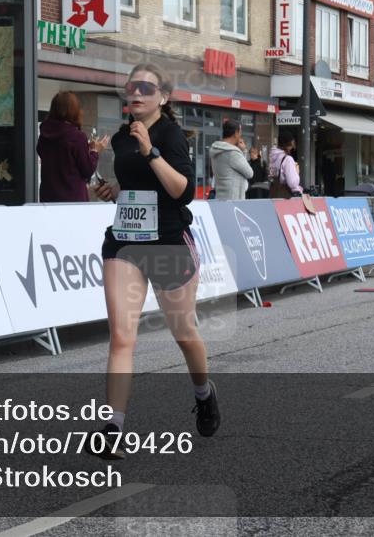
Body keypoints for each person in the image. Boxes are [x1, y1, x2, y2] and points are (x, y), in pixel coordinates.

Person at [91, 62, 219, 459]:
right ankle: (113, 427)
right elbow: (137, 185)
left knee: (183, 334)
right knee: (122, 336)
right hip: (124, 244)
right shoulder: (121, 137)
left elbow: (182, 192)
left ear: (163, 97)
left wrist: (152, 151)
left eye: (146, 87)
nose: (136, 92)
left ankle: (204, 392)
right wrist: (115, 189)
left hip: (167, 244)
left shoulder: (170, 134)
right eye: (131, 86)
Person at [36, 92, 109, 202]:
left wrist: (85, 149)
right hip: (72, 200)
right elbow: (87, 169)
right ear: (74, 111)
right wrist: (95, 151)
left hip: (48, 198)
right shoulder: (76, 136)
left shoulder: (44, 135)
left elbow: (62, 159)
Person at [208, 119, 253, 201]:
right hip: (234, 200)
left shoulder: (216, 149)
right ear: (236, 133)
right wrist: (244, 151)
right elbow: (249, 173)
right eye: (240, 132)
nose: (240, 135)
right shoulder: (233, 153)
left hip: (220, 197)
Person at [268, 131, 302, 198]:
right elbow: (293, 183)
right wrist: (296, 172)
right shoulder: (288, 159)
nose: (293, 147)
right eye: (292, 144)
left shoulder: (272, 156)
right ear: (289, 144)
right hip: (285, 197)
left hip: (274, 194)